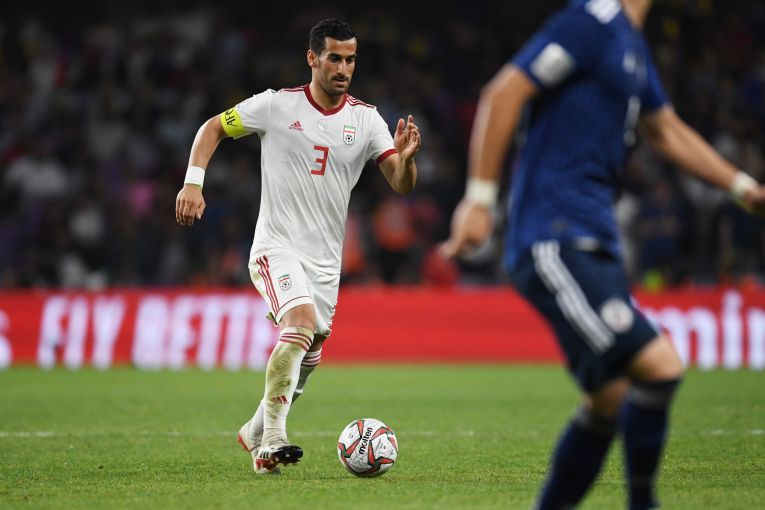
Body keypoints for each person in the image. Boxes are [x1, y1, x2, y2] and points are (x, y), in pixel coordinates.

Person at [441, 0, 765, 508]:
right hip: (554, 236)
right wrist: (479, 200)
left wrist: (746, 189)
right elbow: (504, 92)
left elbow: (665, 130)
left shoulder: (631, 44)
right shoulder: (590, 22)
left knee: (608, 398)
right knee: (659, 366)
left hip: (595, 242)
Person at [175, 18, 421, 475]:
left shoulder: (366, 119)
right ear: (312, 58)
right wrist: (193, 183)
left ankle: (253, 430)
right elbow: (212, 128)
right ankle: (272, 439)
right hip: (277, 247)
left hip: (326, 261)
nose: (343, 69)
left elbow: (401, 183)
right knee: (301, 324)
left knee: (310, 350)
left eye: (350, 60)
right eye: (334, 58)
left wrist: (406, 161)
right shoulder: (275, 106)